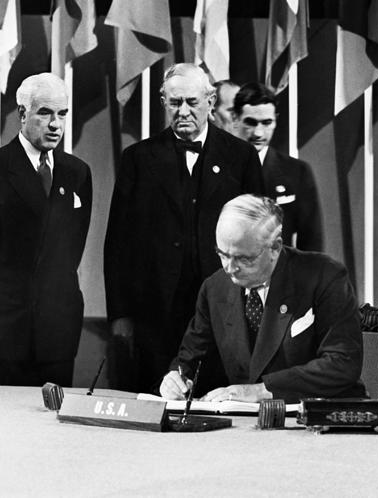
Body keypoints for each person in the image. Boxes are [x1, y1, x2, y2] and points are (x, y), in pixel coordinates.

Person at [104, 63, 263, 392]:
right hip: (155, 313)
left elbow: (257, 236)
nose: (184, 111)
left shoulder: (241, 157)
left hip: (223, 306)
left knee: (217, 403)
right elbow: (118, 243)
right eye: (175, 103)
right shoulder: (138, 158)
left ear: (211, 100)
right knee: (154, 403)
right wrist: (120, 316)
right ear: (164, 102)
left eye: (192, 102)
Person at [0, 73, 92, 386]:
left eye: (62, 114)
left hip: (56, 335)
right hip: (0, 335)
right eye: (45, 113)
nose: (55, 124)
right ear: (22, 114)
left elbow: (71, 251)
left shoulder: (77, 173)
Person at [160, 195, 364, 403]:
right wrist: (176, 379)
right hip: (248, 427)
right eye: (222, 254)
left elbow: (343, 363)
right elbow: (190, 360)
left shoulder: (324, 276)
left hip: (322, 421)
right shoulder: (214, 288)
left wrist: (262, 390)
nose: (230, 268)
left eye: (244, 258)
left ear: (275, 248)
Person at [233, 82, 323, 251]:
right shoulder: (215, 170)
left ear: (275, 121)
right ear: (235, 119)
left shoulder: (297, 173)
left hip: (279, 274)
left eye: (266, 123)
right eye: (250, 123)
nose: (258, 133)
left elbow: (312, 243)